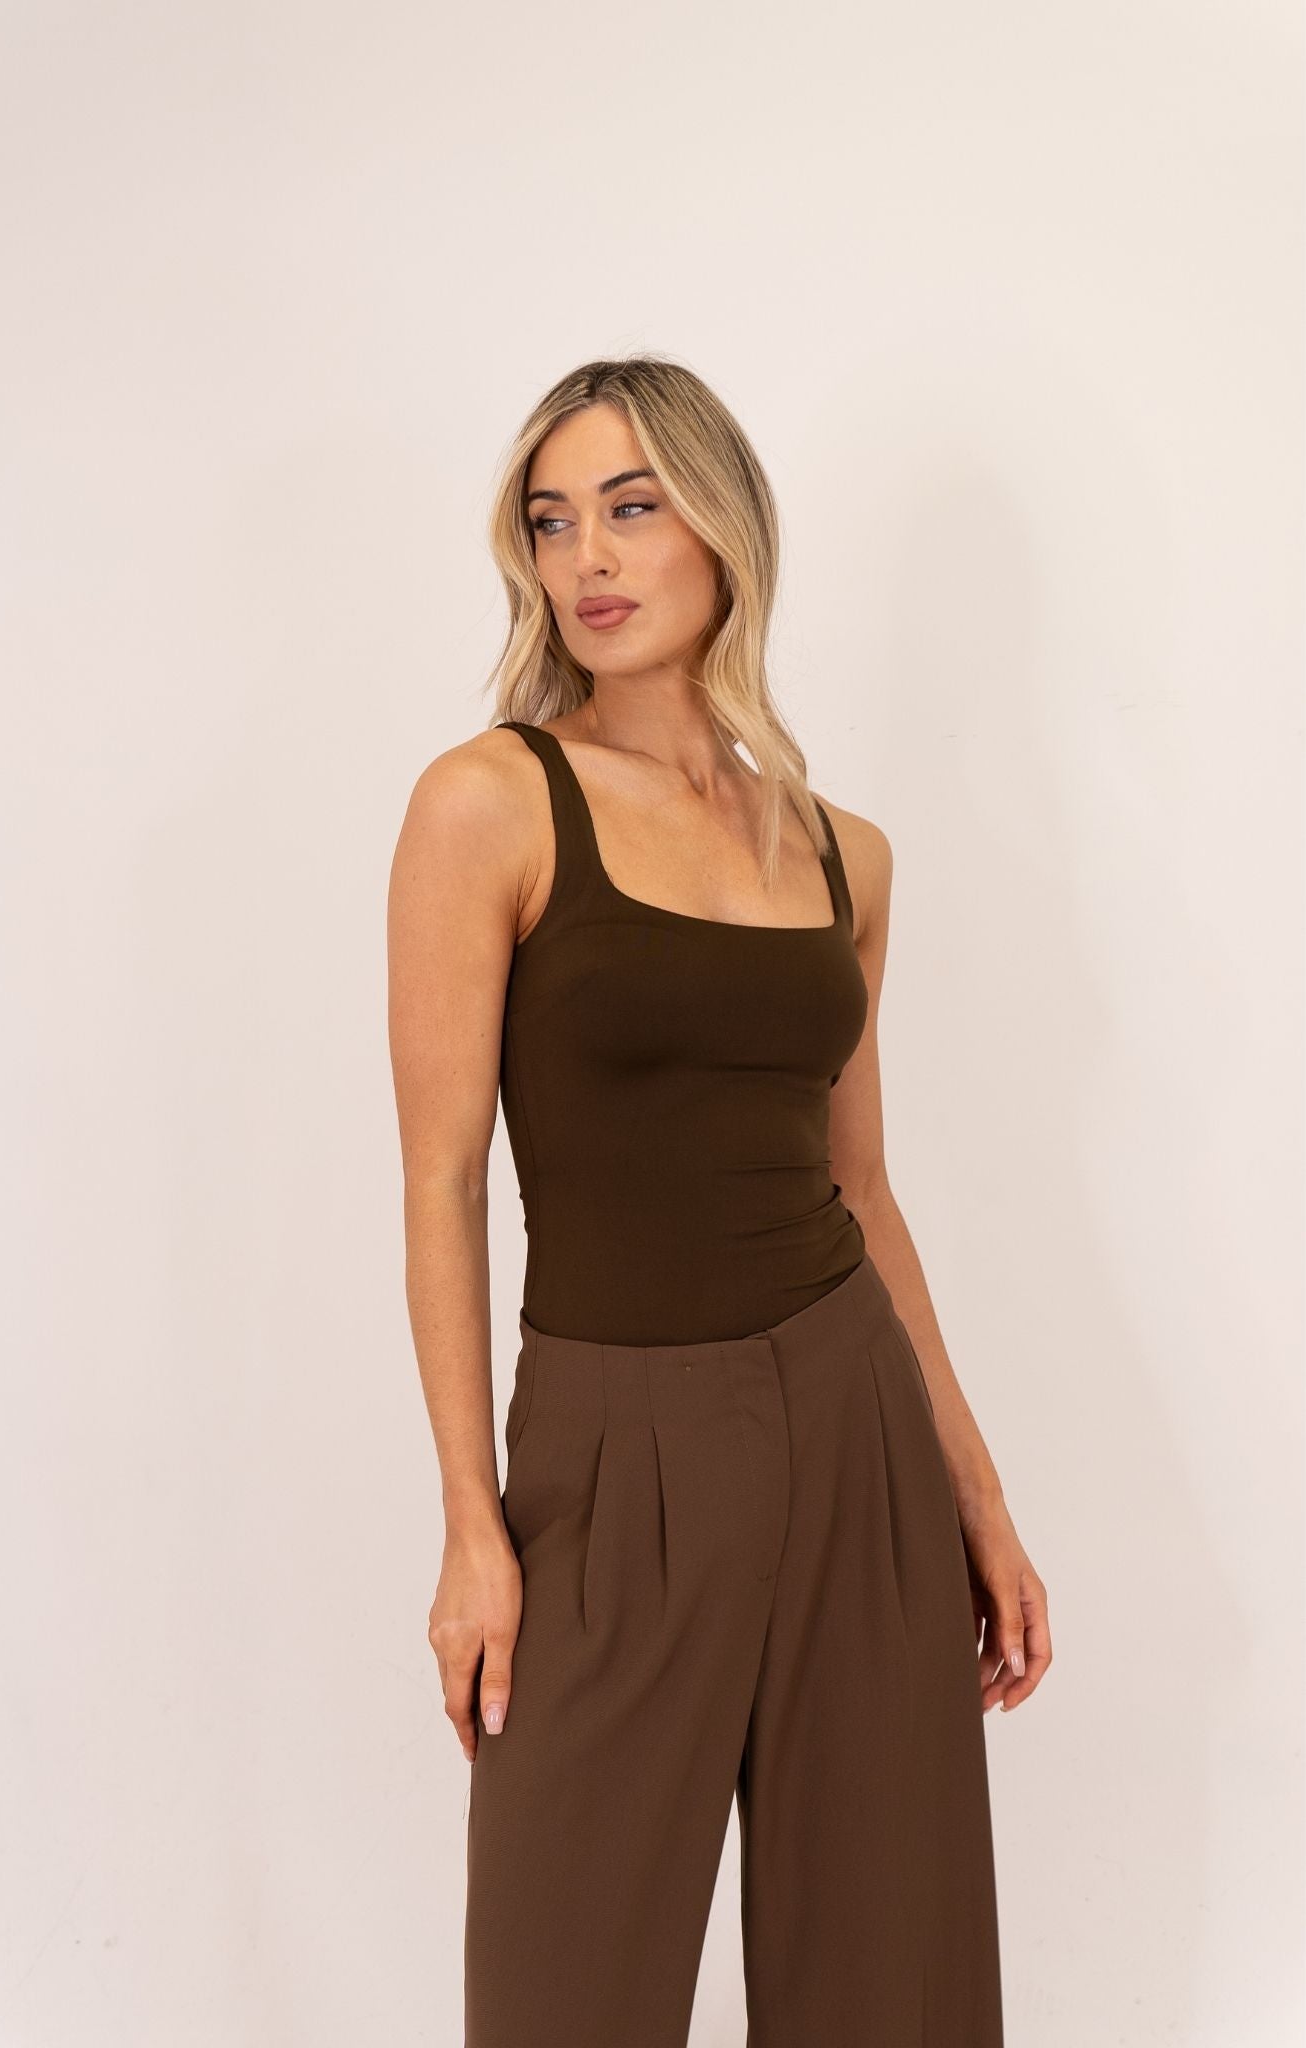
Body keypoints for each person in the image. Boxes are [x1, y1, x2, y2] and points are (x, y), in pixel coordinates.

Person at [386, 355, 1050, 2047]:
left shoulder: (841, 852)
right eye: (551, 522)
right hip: (609, 1443)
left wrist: (975, 1495)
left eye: (631, 506)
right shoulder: (490, 803)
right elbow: (443, 1176)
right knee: (563, 1986)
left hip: (854, 1422)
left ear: (724, 528)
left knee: (887, 1985)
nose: (588, 558)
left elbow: (861, 1190)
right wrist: (471, 1522)